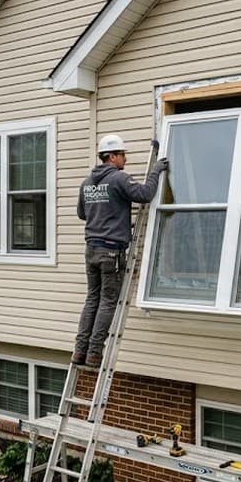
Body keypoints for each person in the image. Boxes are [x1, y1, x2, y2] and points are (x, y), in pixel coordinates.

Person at [75, 134, 168, 368]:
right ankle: (95, 352)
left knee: (92, 299)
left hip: (91, 250)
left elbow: (83, 214)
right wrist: (156, 170)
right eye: (123, 154)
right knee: (107, 301)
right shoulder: (119, 179)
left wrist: (110, 214)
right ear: (113, 156)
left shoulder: (87, 183)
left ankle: (80, 351)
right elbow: (145, 194)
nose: (125, 159)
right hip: (110, 252)